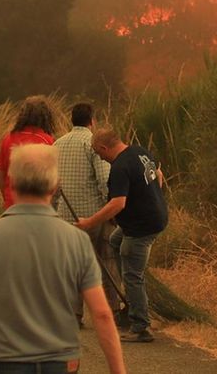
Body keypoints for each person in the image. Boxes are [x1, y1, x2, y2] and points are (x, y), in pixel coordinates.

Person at [0, 144, 128, 374]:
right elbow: (101, 314)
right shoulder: (76, 241)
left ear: (11, 182)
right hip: (58, 363)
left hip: (2, 363)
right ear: (54, 185)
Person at [77, 129, 168, 343]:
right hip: (154, 218)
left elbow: (117, 203)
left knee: (133, 275)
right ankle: (131, 301)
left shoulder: (119, 167)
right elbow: (159, 176)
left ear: (103, 148)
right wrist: (152, 199)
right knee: (115, 240)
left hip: (141, 227)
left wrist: (89, 222)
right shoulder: (140, 152)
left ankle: (140, 326)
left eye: (98, 153)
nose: (99, 157)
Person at [53, 101, 123, 325]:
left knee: (72, 266)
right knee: (107, 259)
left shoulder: (57, 144)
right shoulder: (93, 144)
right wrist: (110, 210)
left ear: (71, 119)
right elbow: (104, 181)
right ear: (92, 121)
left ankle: (74, 314)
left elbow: (53, 186)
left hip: (66, 217)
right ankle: (112, 310)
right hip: (95, 215)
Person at [0, 95, 56, 210]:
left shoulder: (8, 139)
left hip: (12, 202)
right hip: (40, 205)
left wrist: (7, 197)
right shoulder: (47, 141)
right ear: (46, 117)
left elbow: (0, 173)